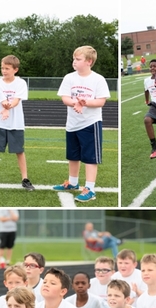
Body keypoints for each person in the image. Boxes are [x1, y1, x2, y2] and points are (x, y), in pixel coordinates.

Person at [53, 46, 110, 202]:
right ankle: (72, 183)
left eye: (78, 59)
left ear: (89, 61)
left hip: (90, 123)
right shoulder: (69, 78)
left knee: (90, 157)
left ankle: (90, 189)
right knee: (73, 155)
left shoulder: (98, 79)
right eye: (74, 59)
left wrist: (85, 103)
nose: (74, 62)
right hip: (72, 124)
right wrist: (75, 103)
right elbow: (65, 98)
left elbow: (101, 101)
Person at [0, 56, 33, 190]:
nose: (4, 71)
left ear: (15, 70)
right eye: (2, 68)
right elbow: (2, 100)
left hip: (16, 123)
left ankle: (25, 179)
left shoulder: (21, 83)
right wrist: (5, 109)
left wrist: (7, 109)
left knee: (19, 151)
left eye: (7, 68)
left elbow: (16, 100)